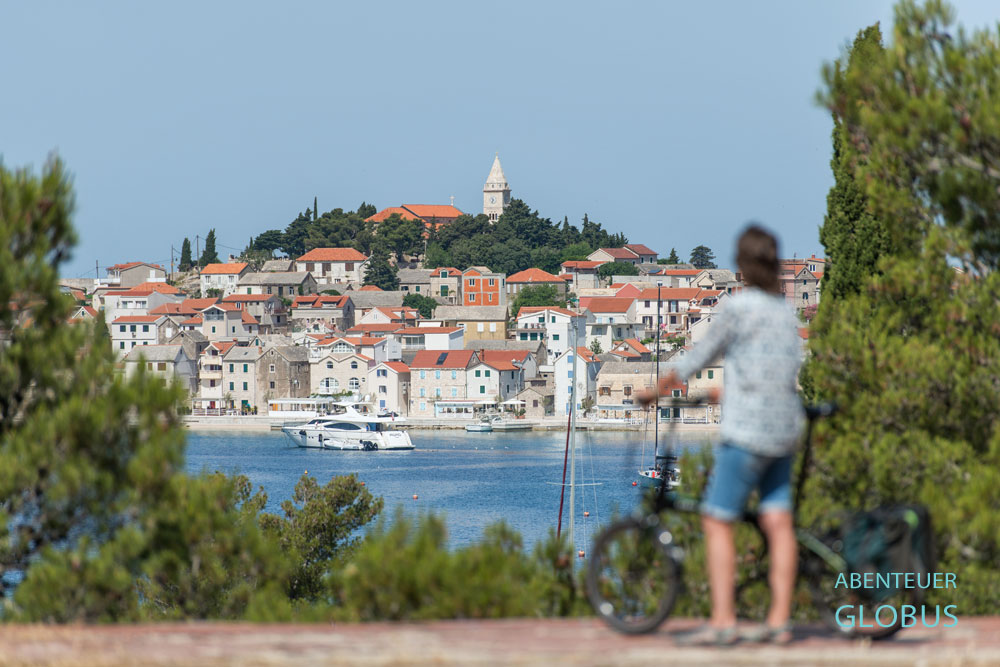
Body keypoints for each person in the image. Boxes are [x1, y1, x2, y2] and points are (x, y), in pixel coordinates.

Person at [638, 224, 804, 645]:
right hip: (785, 429)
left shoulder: (737, 308)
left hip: (747, 431)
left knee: (717, 519)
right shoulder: (787, 314)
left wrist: (655, 390)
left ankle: (723, 621)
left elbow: (696, 357)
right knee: (778, 521)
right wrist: (720, 391)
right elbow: (776, 372)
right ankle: (780, 620)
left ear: (743, 267)